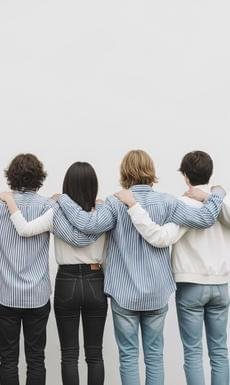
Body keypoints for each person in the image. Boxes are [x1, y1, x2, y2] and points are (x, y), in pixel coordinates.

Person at [55, 149, 226, 385]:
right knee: (155, 357)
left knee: (128, 358)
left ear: (124, 172)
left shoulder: (115, 203)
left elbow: (87, 224)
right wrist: (218, 193)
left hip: (123, 294)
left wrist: (62, 199)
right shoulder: (167, 202)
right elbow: (207, 218)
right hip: (157, 293)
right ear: (151, 172)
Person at [0, 153, 98, 385]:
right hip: (37, 296)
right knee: (36, 360)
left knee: (8, 361)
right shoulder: (47, 207)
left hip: (5, 295)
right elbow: (76, 237)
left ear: (11, 177)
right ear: (39, 178)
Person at [116, 151, 229, 385]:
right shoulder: (223, 201)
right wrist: (216, 193)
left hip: (190, 286)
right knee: (220, 351)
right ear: (210, 173)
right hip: (222, 284)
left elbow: (160, 238)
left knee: (193, 352)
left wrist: (134, 206)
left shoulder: (182, 204)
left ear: (185, 176)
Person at [0, 161, 107, 385]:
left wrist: (10, 201)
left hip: (67, 282)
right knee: (95, 354)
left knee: (69, 354)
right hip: (96, 280)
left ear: (67, 185)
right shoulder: (103, 212)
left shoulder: (56, 210)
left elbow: (25, 229)